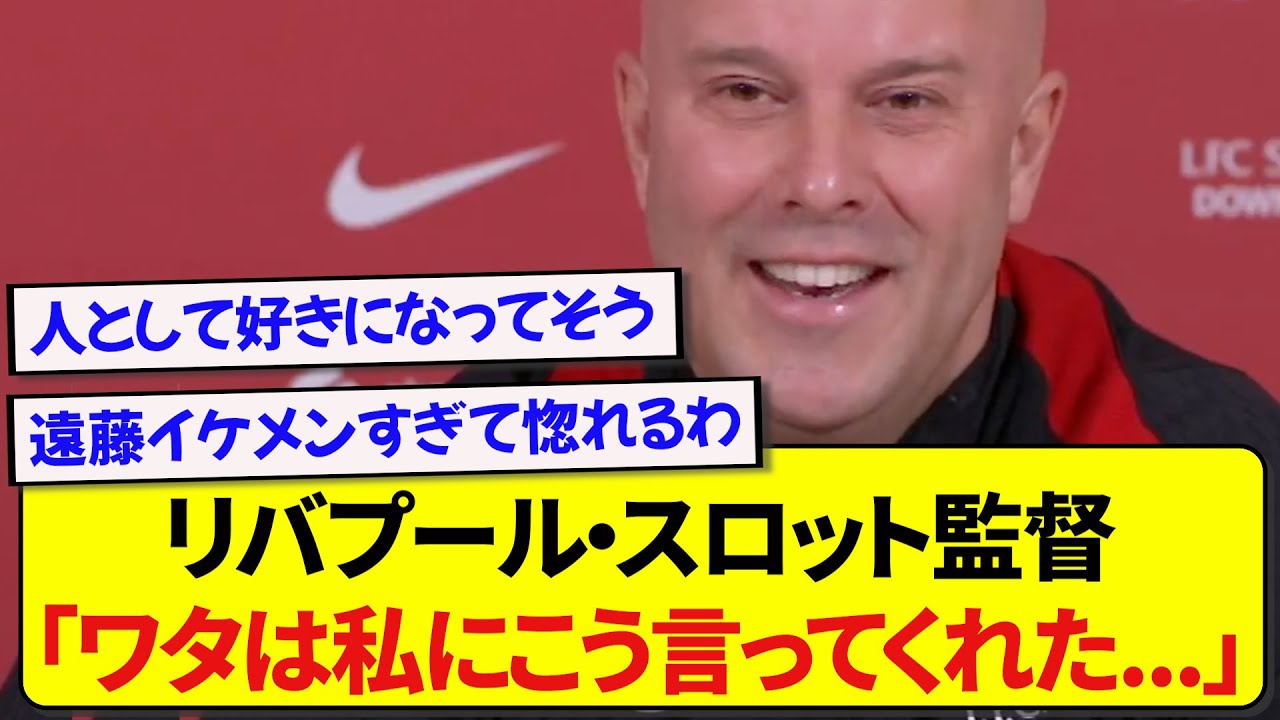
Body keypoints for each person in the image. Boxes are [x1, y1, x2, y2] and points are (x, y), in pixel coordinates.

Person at [3, 1, 1275, 719]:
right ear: (638, 130)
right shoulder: (404, 497)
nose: (819, 180)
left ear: (1022, 148)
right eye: (745, 93)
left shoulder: (1224, 504)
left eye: (905, 102)